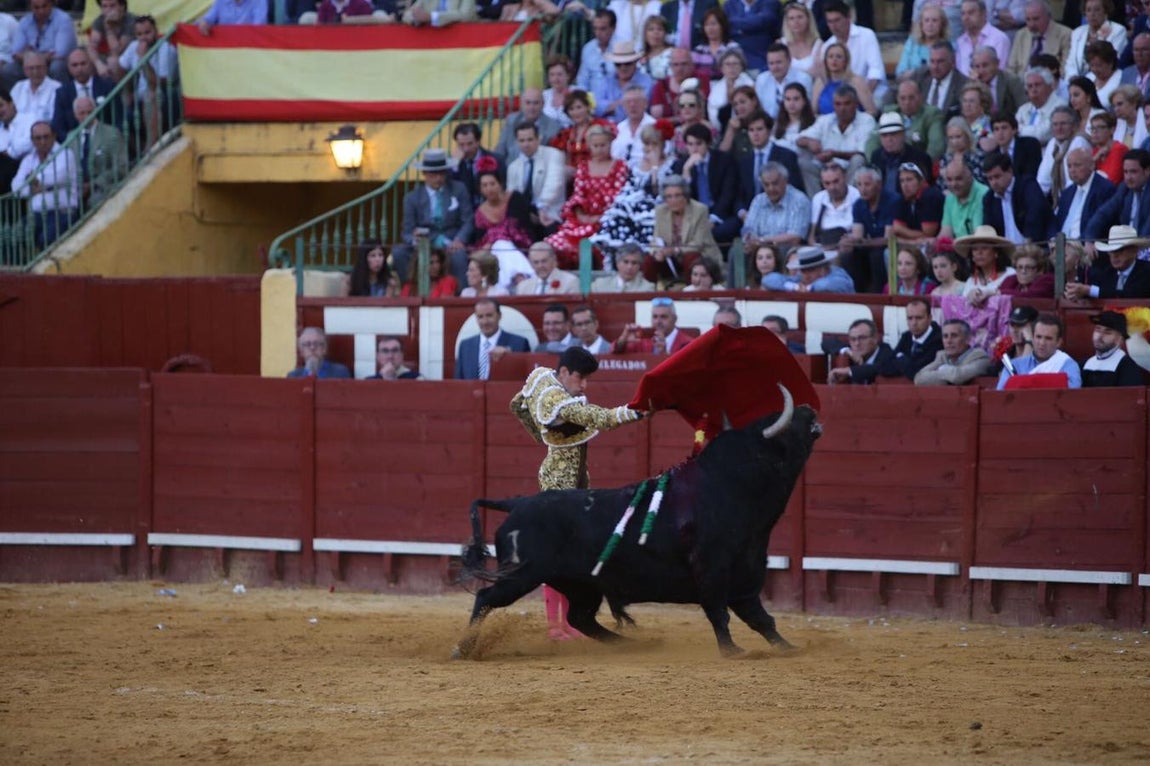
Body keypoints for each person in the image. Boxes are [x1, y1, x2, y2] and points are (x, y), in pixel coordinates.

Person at [508, 345, 644, 640]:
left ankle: (566, 623)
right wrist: (637, 411)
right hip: (559, 484)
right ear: (565, 372)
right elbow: (603, 418)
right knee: (555, 555)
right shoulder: (558, 401)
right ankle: (555, 626)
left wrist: (542, 436)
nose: (584, 386)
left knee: (568, 555)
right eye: (580, 378)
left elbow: (517, 404)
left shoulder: (542, 376)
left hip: (572, 481)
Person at [545, 124, 629, 269]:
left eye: (603, 145)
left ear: (610, 144)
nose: (599, 149)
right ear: (589, 146)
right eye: (595, 145)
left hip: (609, 221)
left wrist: (600, 217)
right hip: (582, 219)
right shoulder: (583, 166)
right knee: (556, 243)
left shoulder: (620, 166)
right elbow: (578, 193)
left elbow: (618, 196)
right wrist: (581, 215)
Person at [594, 121, 677, 257]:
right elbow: (629, 188)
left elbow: (656, 191)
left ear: (663, 145)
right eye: (647, 144)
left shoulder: (671, 164)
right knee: (616, 216)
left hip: (656, 206)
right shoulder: (636, 165)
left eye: (654, 144)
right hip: (631, 203)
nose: (649, 148)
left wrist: (655, 167)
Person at [396, 149, 473, 287]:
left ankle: (460, 295)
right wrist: (415, 240)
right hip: (426, 242)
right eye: (433, 174)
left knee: (459, 257)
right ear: (425, 174)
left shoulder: (458, 189)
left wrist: (459, 239)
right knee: (399, 253)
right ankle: (410, 291)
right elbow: (406, 232)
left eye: (441, 173)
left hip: (451, 242)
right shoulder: (412, 198)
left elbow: (468, 220)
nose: (438, 178)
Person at [795, 84, 876, 199]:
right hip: (826, 170)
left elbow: (864, 153)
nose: (842, 109)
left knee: (858, 160)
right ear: (833, 105)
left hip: (849, 171)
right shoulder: (825, 120)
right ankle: (817, 201)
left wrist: (834, 154)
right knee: (804, 161)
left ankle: (849, 200)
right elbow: (799, 139)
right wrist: (809, 142)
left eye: (847, 103)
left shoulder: (866, 120)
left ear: (856, 104)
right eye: (838, 104)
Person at [12, 120, 78, 248]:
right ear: (32, 140)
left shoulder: (65, 153)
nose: (42, 141)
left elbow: (59, 176)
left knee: (47, 239)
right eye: (38, 138)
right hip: (36, 214)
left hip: (61, 212)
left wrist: (33, 180)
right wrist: (32, 190)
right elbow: (15, 187)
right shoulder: (28, 160)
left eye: (46, 137)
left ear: (53, 136)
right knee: (14, 237)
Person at [646, 173, 721, 284]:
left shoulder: (699, 210)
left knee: (690, 258)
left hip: (700, 257)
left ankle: (690, 294)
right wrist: (657, 252)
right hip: (671, 260)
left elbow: (698, 244)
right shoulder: (661, 211)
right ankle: (648, 295)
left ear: (685, 196)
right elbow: (656, 239)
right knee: (649, 261)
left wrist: (675, 250)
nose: (673, 200)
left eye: (677, 195)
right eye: (669, 197)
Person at [676, 122, 739, 244]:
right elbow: (680, 200)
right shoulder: (681, 165)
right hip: (693, 217)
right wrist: (686, 172)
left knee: (727, 229)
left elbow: (728, 194)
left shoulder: (724, 161)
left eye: (699, 144)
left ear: (708, 143)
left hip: (720, 215)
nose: (694, 149)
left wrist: (713, 219)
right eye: (690, 144)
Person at [506, 121, 567, 236]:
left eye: (530, 139)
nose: (526, 144)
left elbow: (554, 184)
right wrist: (526, 213)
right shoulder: (513, 166)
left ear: (539, 139)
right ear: (516, 142)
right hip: (525, 214)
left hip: (549, 211)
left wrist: (541, 208)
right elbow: (511, 196)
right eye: (522, 141)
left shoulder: (554, 155)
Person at [995, 312, 1082, 388]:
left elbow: (1072, 393)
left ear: (1058, 342)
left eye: (1048, 338)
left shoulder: (1067, 365)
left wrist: (1022, 382)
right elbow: (1001, 396)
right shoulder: (1014, 365)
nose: (1042, 343)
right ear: (1032, 338)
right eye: (1038, 337)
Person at [1065, 224, 1150, 299]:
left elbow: (1131, 295)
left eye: (1120, 250)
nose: (1115, 255)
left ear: (1134, 251)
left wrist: (1089, 290)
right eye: (1111, 251)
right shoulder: (1107, 273)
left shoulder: (1146, 271)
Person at [981, 152, 1051, 242]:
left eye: (997, 177)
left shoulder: (1027, 186)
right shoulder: (989, 199)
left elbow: (1036, 216)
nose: (994, 183)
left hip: (1033, 248)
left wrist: (1027, 244)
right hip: (1005, 252)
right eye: (990, 179)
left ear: (1010, 171)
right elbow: (989, 230)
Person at [871, 80, 946, 162]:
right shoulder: (890, 113)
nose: (907, 102)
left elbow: (936, 146)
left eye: (911, 98)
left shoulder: (932, 114)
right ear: (897, 99)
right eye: (902, 98)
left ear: (921, 97)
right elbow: (873, 141)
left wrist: (921, 166)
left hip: (918, 165)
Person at [71, 95, 127, 206]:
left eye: (89, 112)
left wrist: (94, 184)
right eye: (82, 113)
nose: (86, 116)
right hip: (77, 187)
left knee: (95, 200)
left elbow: (121, 167)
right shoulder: (71, 138)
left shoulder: (111, 134)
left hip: (102, 186)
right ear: (75, 115)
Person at [742, 161, 811, 250]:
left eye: (775, 183)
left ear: (785, 181)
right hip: (760, 250)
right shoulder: (758, 201)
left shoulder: (799, 200)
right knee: (735, 252)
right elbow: (749, 229)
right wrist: (749, 238)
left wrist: (762, 241)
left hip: (787, 250)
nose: (771, 189)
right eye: (766, 185)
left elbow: (795, 238)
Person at [455, 299, 531, 380]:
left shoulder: (519, 343)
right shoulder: (465, 346)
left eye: (489, 315)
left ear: (499, 316)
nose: (485, 322)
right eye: (480, 317)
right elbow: (459, 381)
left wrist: (509, 355)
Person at [470, 155, 534, 251]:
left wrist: (496, 238)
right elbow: (481, 241)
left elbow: (523, 228)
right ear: (480, 189)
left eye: (492, 184)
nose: (489, 189)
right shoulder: (480, 213)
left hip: (519, 246)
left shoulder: (514, 198)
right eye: (484, 185)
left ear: (500, 184)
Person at [824, 1, 886, 98]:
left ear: (848, 17)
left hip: (872, 93)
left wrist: (863, 98)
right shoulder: (827, 45)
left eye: (837, 20)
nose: (833, 26)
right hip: (840, 99)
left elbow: (875, 72)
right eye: (830, 22)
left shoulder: (867, 35)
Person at [1083, 149, 1150, 239]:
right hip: (1126, 245)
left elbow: (1147, 230)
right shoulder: (1124, 188)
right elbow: (1103, 213)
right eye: (1125, 172)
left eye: (1133, 172)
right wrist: (1089, 238)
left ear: (1147, 171)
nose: (1128, 177)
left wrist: (1136, 250)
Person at [6, 0, 76, 84]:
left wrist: (31, 56)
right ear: (30, 7)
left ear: (51, 4)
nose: (41, 11)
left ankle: (61, 95)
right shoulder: (25, 22)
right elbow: (15, 52)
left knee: (57, 67)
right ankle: (16, 97)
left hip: (53, 63)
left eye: (44, 6)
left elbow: (60, 53)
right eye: (36, 7)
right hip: (31, 61)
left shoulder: (63, 19)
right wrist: (35, 59)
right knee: (9, 70)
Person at [868, 112, 936, 199]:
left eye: (893, 134)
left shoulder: (920, 158)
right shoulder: (876, 156)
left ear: (903, 134)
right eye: (884, 136)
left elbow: (927, 191)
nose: (889, 139)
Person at [1052, 146, 1114, 238]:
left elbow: (1100, 226)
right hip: (1061, 245)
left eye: (1077, 165)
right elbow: (1056, 223)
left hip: (1085, 246)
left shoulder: (1104, 189)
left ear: (1092, 165)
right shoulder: (1067, 193)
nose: (1072, 170)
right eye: (1069, 166)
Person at [51, 50, 115, 139]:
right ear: (69, 68)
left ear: (90, 64)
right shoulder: (63, 93)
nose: (79, 68)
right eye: (75, 65)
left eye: (83, 64)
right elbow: (58, 126)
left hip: (105, 139)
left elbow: (118, 117)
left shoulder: (107, 86)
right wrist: (73, 143)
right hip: (75, 143)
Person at [550, 90, 613, 173]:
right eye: (571, 109)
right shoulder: (567, 133)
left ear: (588, 107)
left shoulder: (601, 125)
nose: (576, 112)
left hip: (597, 171)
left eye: (579, 107)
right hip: (573, 174)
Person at [914, 319, 992, 384]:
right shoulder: (942, 356)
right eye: (945, 336)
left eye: (954, 336)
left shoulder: (980, 357)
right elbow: (919, 378)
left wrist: (942, 369)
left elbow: (958, 377)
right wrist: (949, 379)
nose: (949, 341)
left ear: (967, 339)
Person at [1036, 106, 1090, 202]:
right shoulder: (1053, 143)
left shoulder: (1079, 141)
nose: (1059, 128)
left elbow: (1073, 184)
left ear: (1074, 126)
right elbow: (1042, 182)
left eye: (1063, 124)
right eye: (1055, 124)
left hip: (1077, 199)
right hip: (1059, 201)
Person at [593, 41, 655, 124]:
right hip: (607, 128)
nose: (623, 68)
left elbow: (638, 108)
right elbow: (596, 107)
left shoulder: (646, 81)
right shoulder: (607, 80)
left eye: (627, 63)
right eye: (618, 64)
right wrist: (623, 104)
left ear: (635, 62)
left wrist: (611, 107)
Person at [494, 89, 561, 164]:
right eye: (528, 103)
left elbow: (551, 157)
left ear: (543, 104)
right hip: (509, 168)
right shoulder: (511, 120)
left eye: (536, 103)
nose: (531, 107)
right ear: (521, 104)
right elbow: (500, 150)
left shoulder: (553, 127)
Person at [1065, 0, 1125, 81]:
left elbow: (1112, 61)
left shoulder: (1118, 30)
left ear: (1105, 11)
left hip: (1104, 80)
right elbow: (1071, 62)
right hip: (1076, 82)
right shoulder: (1077, 32)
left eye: (1097, 10)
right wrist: (1073, 77)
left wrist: (1084, 82)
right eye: (1088, 10)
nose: (1092, 14)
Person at [1081, 310, 1145, 387]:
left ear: (1119, 339)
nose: (1100, 336)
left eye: (1107, 332)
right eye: (1098, 330)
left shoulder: (1128, 368)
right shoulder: (1084, 364)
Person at [1007, 0, 1071, 77]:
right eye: (1028, 19)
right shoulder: (1021, 35)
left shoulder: (1065, 34)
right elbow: (1011, 68)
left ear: (1049, 17)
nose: (1031, 24)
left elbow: (1065, 70)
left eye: (1036, 19)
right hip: (1021, 84)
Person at [812, 43, 876, 117]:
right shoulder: (820, 82)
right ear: (825, 61)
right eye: (830, 56)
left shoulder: (857, 81)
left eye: (839, 57)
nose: (834, 60)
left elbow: (872, 111)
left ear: (846, 61)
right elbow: (813, 112)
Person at [956, 224, 1016, 302]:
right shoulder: (970, 281)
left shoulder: (1010, 274)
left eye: (985, 248)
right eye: (975, 249)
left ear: (996, 252)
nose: (979, 252)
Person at [613, 295, 694, 353]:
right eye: (655, 317)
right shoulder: (644, 339)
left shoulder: (688, 343)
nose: (658, 321)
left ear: (675, 319)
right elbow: (614, 352)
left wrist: (664, 354)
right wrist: (623, 340)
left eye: (663, 317)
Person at [756, 43, 813, 122]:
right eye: (771, 63)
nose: (775, 67)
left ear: (789, 61)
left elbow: (807, 109)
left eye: (779, 62)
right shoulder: (761, 79)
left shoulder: (803, 79)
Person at [826, 318, 895, 384]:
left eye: (862, 338)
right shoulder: (851, 351)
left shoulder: (887, 354)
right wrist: (848, 351)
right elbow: (826, 343)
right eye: (853, 339)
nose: (857, 343)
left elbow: (877, 369)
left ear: (875, 338)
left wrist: (849, 371)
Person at [452, 123, 504, 209]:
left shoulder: (496, 160)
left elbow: (502, 187)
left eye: (469, 144)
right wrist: (454, 165)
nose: (466, 149)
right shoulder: (453, 163)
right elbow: (451, 188)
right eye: (461, 145)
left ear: (478, 142)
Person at [809, 163, 861, 250]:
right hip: (823, 246)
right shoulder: (818, 198)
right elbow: (812, 235)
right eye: (827, 183)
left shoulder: (857, 197)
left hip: (848, 247)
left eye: (836, 181)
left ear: (845, 177)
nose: (832, 187)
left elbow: (859, 235)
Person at [955, 0, 1012, 76]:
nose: (966, 17)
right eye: (963, 14)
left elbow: (999, 73)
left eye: (971, 13)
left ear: (984, 13)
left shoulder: (999, 38)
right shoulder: (960, 41)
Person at [764, 246, 856, 293]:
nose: (806, 274)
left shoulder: (839, 275)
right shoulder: (801, 277)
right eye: (803, 270)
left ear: (822, 269)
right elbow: (768, 279)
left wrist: (809, 288)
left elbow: (826, 285)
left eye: (811, 270)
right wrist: (794, 287)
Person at [893, 162, 945, 243]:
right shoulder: (904, 198)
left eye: (909, 180)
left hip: (935, 247)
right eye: (902, 181)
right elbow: (895, 230)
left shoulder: (931, 196)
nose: (905, 185)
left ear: (921, 181)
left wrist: (902, 231)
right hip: (914, 244)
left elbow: (928, 234)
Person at [938, 156, 988, 239]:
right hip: (959, 248)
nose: (954, 184)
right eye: (949, 180)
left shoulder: (984, 195)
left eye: (958, 179)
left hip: (978, 247)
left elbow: (979, 236)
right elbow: (946, 233)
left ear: (970, 177)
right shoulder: (950, 197)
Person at [969, 45, 1025, 118]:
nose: (981, 71)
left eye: (985, 65)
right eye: (977, 67)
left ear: (997, 64)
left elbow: (1023, 109)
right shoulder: (972, 85)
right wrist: (977, 87)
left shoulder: (1012, 81)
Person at [917, 41, 970, 118]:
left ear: (953, 61)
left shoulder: (964, 85)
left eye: (940, 62)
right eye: (932, 61)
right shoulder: (921, 77)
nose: (935, 67)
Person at [87, 0, 136, 81]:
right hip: (112, 57)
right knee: (85, 61)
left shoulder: (130, 20)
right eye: (104, 6)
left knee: (113, 61)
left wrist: (109, 29)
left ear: (122, 7)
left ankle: (118, 92)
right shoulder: (99, 20)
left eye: (112, 6)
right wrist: (98, 64)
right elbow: (91, 46)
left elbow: (118, 51)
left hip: (132, 58)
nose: (108, 10)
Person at [1015, 66, 1066, 145]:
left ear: (1050, 86)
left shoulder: (1061, 106)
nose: (1033, 89)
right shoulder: (1023, 109)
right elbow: (1012, 131)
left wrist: (1019, 130)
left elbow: (1042, 135)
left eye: (1037, 85)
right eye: (1030, 86)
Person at [899, 3, 951, 77]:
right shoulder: (912, 42)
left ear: (942, 24)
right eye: (926, 20)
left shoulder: (949, 45)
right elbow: (900, 73)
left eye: (934, 20)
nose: (930, 24)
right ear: (921, 24)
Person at [690, 6, 741, 80]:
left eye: (713, 24)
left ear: (722, 26)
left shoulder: (733, 48)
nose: (710, 28)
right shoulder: (698, 50)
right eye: (707, 25)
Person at [611, 84, 655, 165]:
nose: (632, 105)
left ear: (645, 103)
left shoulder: (654, 126)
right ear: (623, 106)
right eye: (628, 102)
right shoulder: (619, 128)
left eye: (636, 101)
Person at [516, 241, 580, 295]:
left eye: (544, 261)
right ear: (531, 263)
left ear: (554, 259)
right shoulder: (523, 287)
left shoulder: (571, 282)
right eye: (536, 262)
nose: (540, 266)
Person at [0, 88, 33, 193]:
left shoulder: (29, 119)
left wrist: (8, 152)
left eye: (1, 106)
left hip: (26, 168)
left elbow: (29, 143)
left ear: (11, 103)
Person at [11, 53, 58, 125]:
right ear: (25, 70)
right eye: (31, 68)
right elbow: (10, 113)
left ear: (46, 68)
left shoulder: (56, 88)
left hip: (41, 133)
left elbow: (53, 119)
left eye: (38, 67)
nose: (35, 72)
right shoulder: (18, 87)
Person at [286, 327, 351, 378]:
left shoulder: (339, 373)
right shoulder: (293, 376)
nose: (312, 348)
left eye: (316, 343)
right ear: (301, 351)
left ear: (324, 349)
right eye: (307, 344)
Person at [781, 1, 823, 77]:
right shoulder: (781, 44)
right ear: (787, 22)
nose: (796, 22)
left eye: (800, 17)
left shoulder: (819, 46)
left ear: (808, 19)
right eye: (791, 18)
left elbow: (819, 74)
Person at [773, 82, 816, 153]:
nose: (791, 103)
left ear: (804, 101)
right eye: (788, 99)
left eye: (796, 99)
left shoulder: (814, 124)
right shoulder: (777, 124)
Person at [1089, 111, 1127, 185]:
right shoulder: (1095, 151)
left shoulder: (1119, 150)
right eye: (1092, 128)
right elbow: (1082, 178)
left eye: (1100, 127)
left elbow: (1111, 182)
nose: (1095, 131)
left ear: (1112, 130)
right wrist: (1095, 158)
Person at [197, 0, 269, 34]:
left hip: (248, 49)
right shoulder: (221, 1)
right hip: (225, 49)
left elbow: (259, 29)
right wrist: (204, 23)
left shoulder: (259, 1)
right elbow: (208, 19)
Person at [543, 54, 577, 128]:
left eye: (559, 74)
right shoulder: (544, 95)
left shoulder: (578, 93)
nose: (556, 79)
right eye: (552, 75)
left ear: (568, 75)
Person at [639, 15, 673, 81]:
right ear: (645, 34)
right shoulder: (639, 57)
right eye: (651, 29)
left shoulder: (672, 54)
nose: (655, 32)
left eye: (660, 29)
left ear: (665, 33)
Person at [401, 0, 477, 26]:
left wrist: (432, 17)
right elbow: (407, 15)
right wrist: (417, 18)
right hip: (432, 42)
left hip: (461, 41)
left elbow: (465, 16)